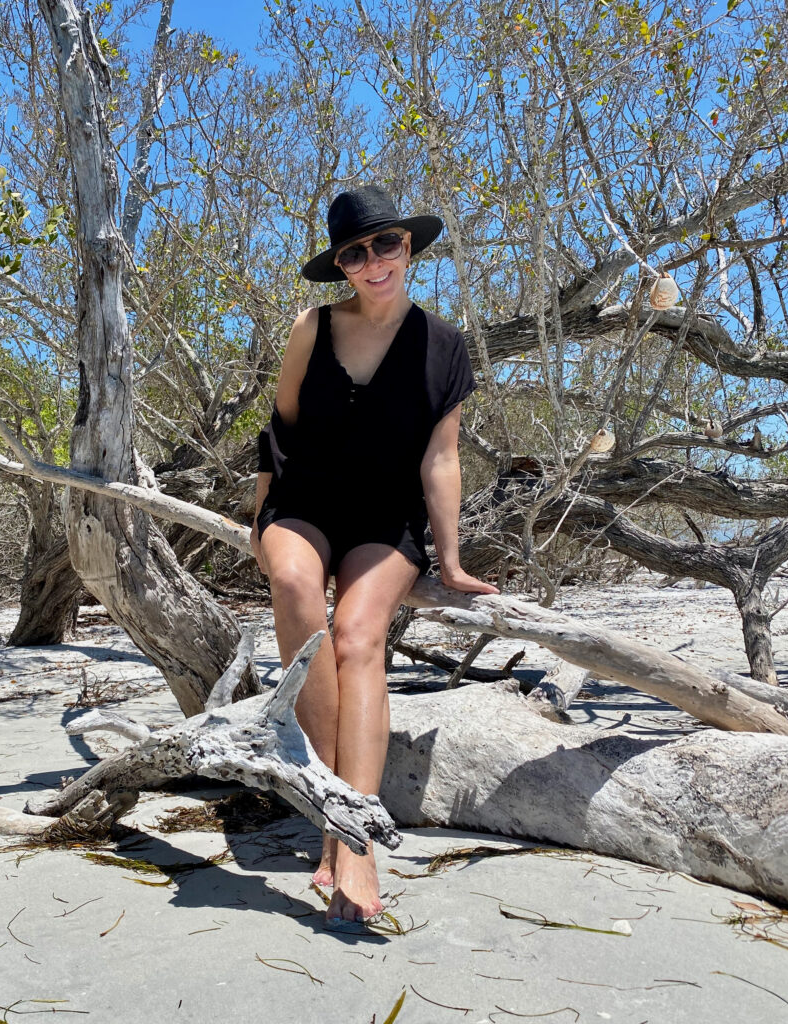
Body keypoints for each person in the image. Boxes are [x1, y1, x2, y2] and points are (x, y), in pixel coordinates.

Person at [250, 185, 498, 929]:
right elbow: (281, 423)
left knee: (359, 638)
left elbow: (442, 460)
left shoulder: (445, 347)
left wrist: (450, 562)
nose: (372, 262)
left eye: (385, 244)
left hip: (384, 521)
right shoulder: (313, 326)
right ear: (341, 267)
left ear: (409, 249)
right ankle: (331, 806)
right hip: (304, 503)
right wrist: (259, 511)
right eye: (354, 253)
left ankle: (350, 832)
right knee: (295, 586)